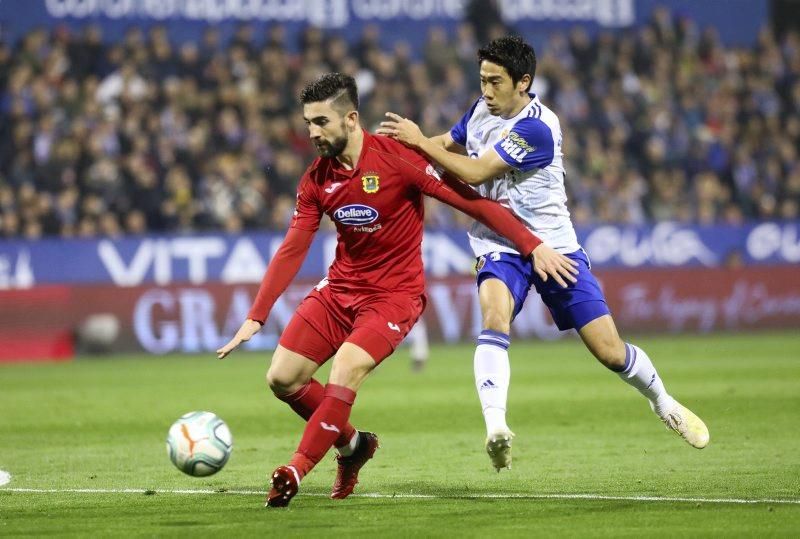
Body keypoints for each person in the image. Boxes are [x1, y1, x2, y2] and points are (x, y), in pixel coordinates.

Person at [216, 72, 578, 507]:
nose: (311, 133)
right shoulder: (316, 179)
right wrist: (257, 315)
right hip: (340, 290)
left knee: (345, 368)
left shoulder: (399, 159)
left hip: (394, 297)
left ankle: (294, 470)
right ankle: (353, 447)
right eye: (308, 123)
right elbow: (293, 247)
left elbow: (473, 203)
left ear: (351, 119)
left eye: (320, 122)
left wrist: (532, 244)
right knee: (281, 377)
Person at [377, 36, 709, 472]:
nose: (487, 91)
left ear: (523, 82)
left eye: (496, 82)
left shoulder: (537, 127)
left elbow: (474, 172)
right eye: (482, 81)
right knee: (494, 316)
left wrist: (419, 143)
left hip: (555, 247)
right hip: (501, 244)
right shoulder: (481, 109)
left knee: (610, 351)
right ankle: (496, 427)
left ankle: (662, 402)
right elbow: (448, 144)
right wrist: (389, 150)